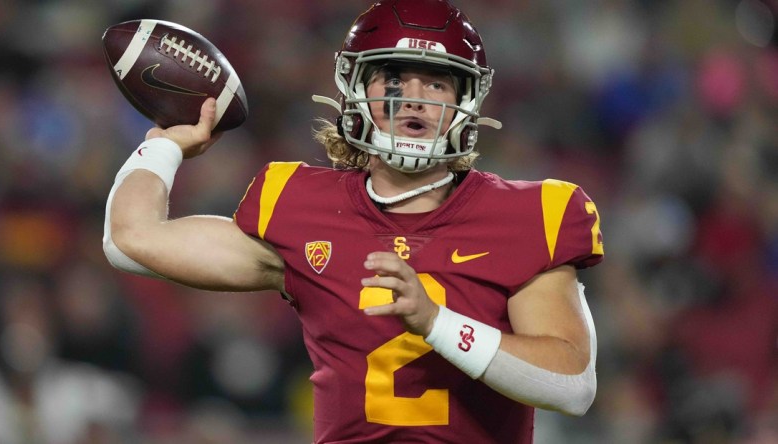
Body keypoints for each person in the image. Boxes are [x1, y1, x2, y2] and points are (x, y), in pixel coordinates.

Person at [103, 0, 604, 442]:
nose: (415, 97)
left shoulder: (529, 215)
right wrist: (165, 145)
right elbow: (130, 239)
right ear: (355, 90)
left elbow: (572, 386)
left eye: (436, 81)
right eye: (394, 78)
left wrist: (437, 323)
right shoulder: (300, 206)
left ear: (466, 102)